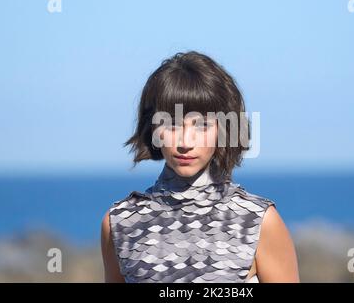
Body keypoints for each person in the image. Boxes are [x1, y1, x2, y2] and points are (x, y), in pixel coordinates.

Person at [101, 51, 299, 283]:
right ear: (153, 128)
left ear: (225, 129)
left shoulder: (259, 221)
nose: (185, 142)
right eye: (172, 124)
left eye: (202, 125)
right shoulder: (119, 222)